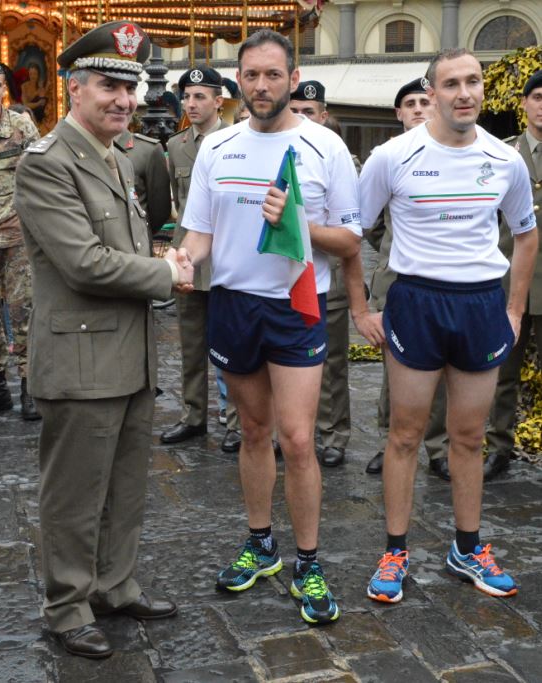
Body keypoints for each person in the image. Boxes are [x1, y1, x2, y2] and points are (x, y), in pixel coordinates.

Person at [14, 21, 193, 659]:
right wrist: (167, 273)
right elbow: (84, 263)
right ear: (74, 89)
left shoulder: (118, 156)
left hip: (130, 352)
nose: (123, 99)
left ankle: (114, 585)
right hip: (80, 355)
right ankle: (65, 609)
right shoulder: (47, 163)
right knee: (74, 492)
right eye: (108, 86)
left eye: (130, 87)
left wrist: (160, 255)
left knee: (123, 485)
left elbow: (124, 245)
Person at [180, 29, 361, 624]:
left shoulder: (325, 146)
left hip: (295, 305)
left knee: (299, 438)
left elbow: (350, 239)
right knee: (254, 434)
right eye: (251, 75)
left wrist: (300, 223)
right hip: (233, 303)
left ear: (292, 75)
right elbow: (199, 236)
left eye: (272, 75)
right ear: (239, 78)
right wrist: (176, 264)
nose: (261, 86)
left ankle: (309, 562)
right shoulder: (217, 147)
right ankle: (262, 544)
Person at [357, 48, 537, 604]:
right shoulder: (392, 156)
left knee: (468, 436)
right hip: (417, 303)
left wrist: (513, 310)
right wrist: (366, 305)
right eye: (452, 83)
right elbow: (356, 230)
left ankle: (468, 547)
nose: (465, 93)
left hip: (482, 305)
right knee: (406, 434)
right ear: (430, 93)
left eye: (474, 81)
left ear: (483, 89)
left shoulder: (506, 161)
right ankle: (394, 550)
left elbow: (526, 234)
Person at [364, 78, 450, 481]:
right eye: (409, 104)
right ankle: (390, 442)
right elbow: (369, 224)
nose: (417, 109)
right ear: (398, 113)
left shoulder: (454, 156)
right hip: (395, 281)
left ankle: (437, 448)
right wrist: (390, 251)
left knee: (444, 368)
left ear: (435, 106)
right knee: (394, 369)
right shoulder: (385, 159)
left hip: (447, 284)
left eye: (422, 101)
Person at [160, 66, 240, 453]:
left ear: (218, 101)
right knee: (191, 344)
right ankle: (193, 416)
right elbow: (169, 203)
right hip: (188, 256)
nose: (191, 104)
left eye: (200, 96)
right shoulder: (176, 146)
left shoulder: (237, 141)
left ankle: (236, 419)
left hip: (227, 257)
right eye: (187, 97)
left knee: (231, 343)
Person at [484, 70, 542, 480]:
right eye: (537, 96)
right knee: (502, 371)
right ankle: (498, 445)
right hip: (512, 280)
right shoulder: (504, 154)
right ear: (523, 103)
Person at [290, 80, 350, 467]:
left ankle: (334, 434)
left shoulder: (338, 155)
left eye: (309, 112)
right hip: (287, 279)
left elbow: (356, 229)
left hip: (330, 275)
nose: (302, 118)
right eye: (296, 110)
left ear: (324, 116)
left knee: (332, 363)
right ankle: (297, 432)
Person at [0, 59, 40, 421]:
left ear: (5, 90)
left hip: (16, 237)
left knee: (24, 313)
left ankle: (30, 389)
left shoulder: (20, 126)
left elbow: (39, 174)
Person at [114, 127, 172, 234]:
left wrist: (142, 235)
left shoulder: (147, 150)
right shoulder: (85, 147)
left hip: (137, 241)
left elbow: (160, 210)